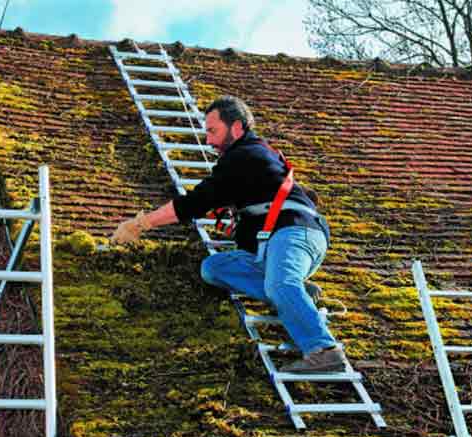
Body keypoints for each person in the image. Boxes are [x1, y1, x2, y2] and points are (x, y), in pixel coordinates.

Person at [111, 95, 345, 373]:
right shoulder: (247, 166)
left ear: (236, 128)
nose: (209, 141)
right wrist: (238, 227)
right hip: (272, 243)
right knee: (214, 267)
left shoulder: (246, 155)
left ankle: (323, 349)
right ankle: (296, 295)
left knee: (279, 284)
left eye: (213, 131)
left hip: (296, 231)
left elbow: (196, 202)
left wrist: (142, 224)